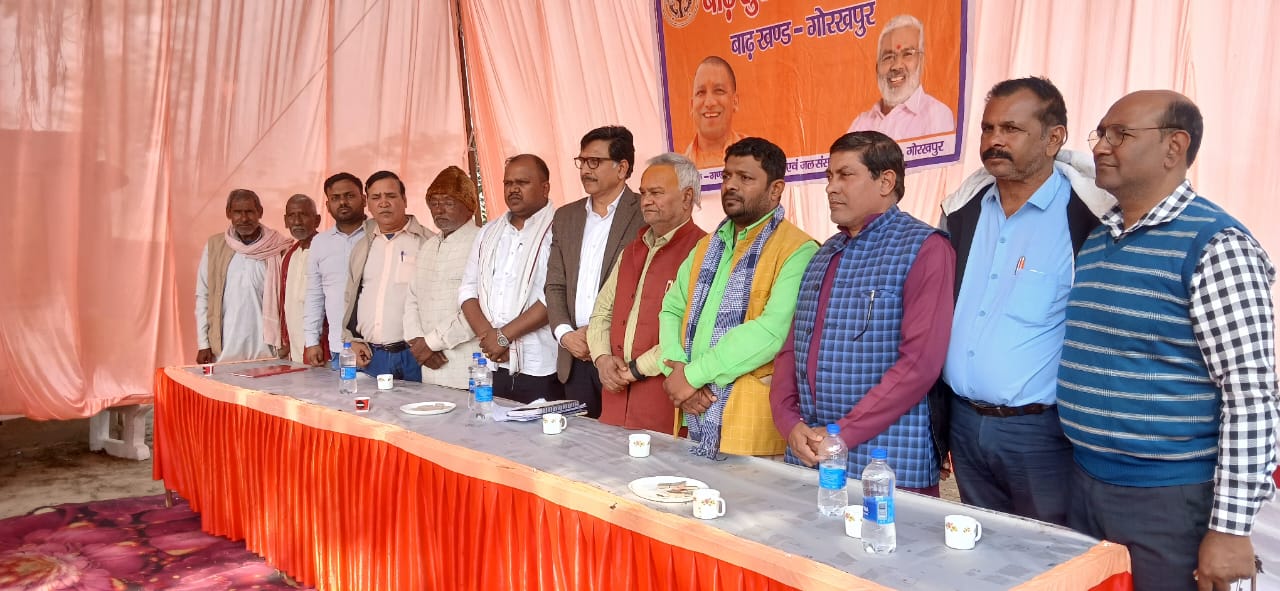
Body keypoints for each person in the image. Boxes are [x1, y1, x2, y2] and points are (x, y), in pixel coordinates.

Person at [1059, 90, 1277, 591]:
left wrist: (1229, 530)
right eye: (1101, 133)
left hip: (1169, 501)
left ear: (1173, 147)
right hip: (1086, 483)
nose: (1101, 146)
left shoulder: (1216, 245)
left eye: (1120, 134)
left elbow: (1250, 394)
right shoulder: (1100, 239)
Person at [937, 77, 1113, 522]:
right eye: (988, 128)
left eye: (1011, 129)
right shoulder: (962, 213)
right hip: (964, 424)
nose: (994, 140)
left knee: (1049, 551)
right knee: (985, 550)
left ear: (1054, 139)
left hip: (1043, 435)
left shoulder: (1089, 220)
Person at [770, 131, 954, 494]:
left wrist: (844, 433)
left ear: (885, 181)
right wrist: (789, 422)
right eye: (829, 176)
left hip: (888, 459)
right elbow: (793, 348)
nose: (831, 187)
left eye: (845, 175)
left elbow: (920, 364)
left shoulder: (925, 248)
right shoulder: (824, 254)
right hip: (812, 451)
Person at [659, 137, 818, 458]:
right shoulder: (707, 246)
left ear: (776, 189)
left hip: (751, 429)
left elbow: (771, 332)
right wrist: (677, 371)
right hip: (695, 416)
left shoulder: (799, 250)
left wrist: (691, 376)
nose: (730, 185)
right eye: (727, 176)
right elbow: (672, 308)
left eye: (745, 178)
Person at [588, 152, 707, 433]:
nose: (646, 201)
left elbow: (691, 332)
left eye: (656, 193)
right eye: (643, 193)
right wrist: (602, 359)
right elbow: (602, 311)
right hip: (615, 399)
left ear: (687, 197)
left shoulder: (704, 251)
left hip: (663, 401)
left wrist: (635, 369)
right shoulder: (633, 249)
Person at [546, 126, 646, 418]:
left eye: (595, 162)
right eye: (582, 161)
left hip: (621, 356)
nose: (585, 170)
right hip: (575, 356)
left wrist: (599, 334)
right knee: (580, 442)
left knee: (621, 441)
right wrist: (565, 334)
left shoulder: (644, 213)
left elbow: (646, 288)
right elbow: (554, 284)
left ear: (622, 168)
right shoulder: (566, 216)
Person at [459, 155, 562, 404]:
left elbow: (555, 296)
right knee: (490, 427)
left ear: (545, 188)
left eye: (522, 182)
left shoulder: (560, 229)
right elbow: (468, 289)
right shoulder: (489, 232)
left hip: (540, 365)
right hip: (492, 364)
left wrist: (503, 337)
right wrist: (490, 339)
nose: (513, 189)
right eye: (508, 183)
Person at [342, 171, 434, 380]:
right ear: (368, 204)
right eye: (376, 197)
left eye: (391, 196)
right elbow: (350, 299)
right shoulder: (362, 247)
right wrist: (352, 340)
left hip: (415, 356)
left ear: (405, 200)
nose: (383, 203)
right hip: (371, 356)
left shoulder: (428, 242)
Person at [402, 166, 483, 390]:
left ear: (469, 206)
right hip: (428, 363)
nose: (439, 210)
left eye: (448, 202)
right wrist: (417, 341)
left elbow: (482, 308)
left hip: (468, 365)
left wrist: (432, 343)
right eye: (434, 203)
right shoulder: (428, 246)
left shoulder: (482, 242)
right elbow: (412, 298)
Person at [195, 189, 293, 363]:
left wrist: (289, 341)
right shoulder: (215, 246)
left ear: (260, 212)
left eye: (249, 212)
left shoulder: (279, 247)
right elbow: (203, 296)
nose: (244, 218)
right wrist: (203, 344)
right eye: (237, 212)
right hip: (225, 348)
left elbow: (291, 300)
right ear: (228, 213)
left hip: (269, 349)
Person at [847, 14, 954, 140]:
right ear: (877, 68)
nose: (896, 66)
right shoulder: (861, 124)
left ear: (921, 61)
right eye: (888, 57)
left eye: (907, 54)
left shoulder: (937, 115)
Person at [303, 173, 367, 367]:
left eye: (350, 196)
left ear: (363, 199)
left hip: (379, 346)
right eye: (335, 198)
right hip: (340, 348)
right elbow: (314, 294)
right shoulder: (320, 242)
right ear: (328, 205)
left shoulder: (378, 234)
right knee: (344, 388)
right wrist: (312, 341)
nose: (343, 202)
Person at [279, 194, 322, 364]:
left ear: (317, 220)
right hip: (295, 347)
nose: (297, 221)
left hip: (321, 347)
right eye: (292, 215)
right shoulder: (289, 255)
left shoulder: (326, 250)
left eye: (303, 215)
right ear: (285, 221)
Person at [683, 56, 747, 169]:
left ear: (735, 102)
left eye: (719, 91)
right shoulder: (677, 171)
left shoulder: (758, 159)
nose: (709, 103)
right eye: (701, 92)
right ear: (692, 106)